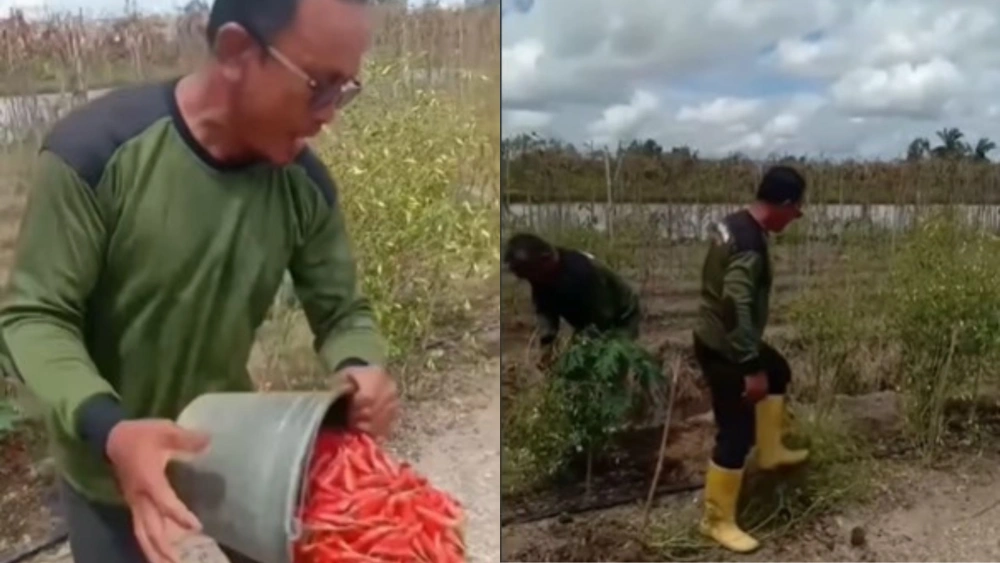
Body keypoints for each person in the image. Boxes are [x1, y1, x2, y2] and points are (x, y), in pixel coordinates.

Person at [0, 0, 397, 562]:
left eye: (344, 89)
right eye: (318, 85)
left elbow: (343, 313)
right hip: (109, 460)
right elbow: (35, 316)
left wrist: (360, 365)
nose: (329, 113)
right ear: (237, 52)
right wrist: (112, 431)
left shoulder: (303, 187)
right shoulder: (96, 152)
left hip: (231, 449)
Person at [691, 165, 809, 553]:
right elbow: (734, 300)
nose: (798, 217)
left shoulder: (736, 223)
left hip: (722, 336)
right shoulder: (749, 244)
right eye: (797, 210)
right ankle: (716, 521)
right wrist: (748, 366)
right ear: (785, 204)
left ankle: (772, 451)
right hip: (726, 347)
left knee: (780, 371)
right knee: (735, 432)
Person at [502, 232, 641, 363]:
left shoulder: (582, 271)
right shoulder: (541, 275)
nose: (531, 281)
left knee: (611, 358)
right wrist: (547, 344)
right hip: (588, 317)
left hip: (621, 314)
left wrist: (585, 344)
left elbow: (602, 317)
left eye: (530, 275)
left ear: (546, 260)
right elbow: (545, 310)